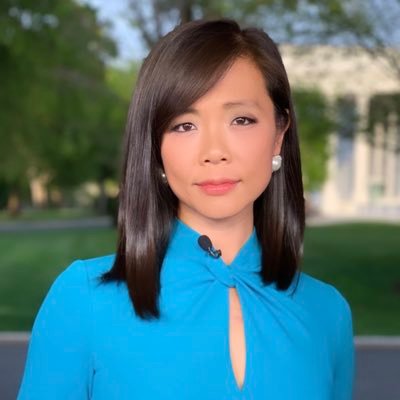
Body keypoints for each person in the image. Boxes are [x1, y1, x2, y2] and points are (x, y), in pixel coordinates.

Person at [17, 18, 354, 399]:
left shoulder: (328, 315)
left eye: (241, 120)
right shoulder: (82, 301)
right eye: (184, 125)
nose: (214, 152)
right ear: (155, 146)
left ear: (279, 134)